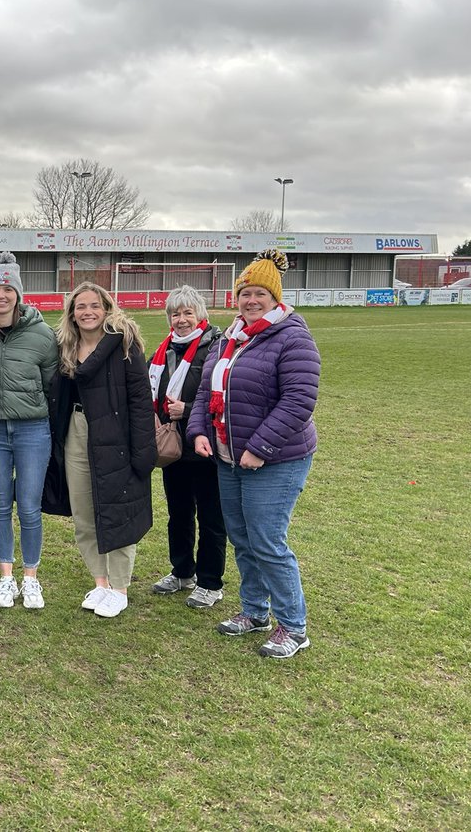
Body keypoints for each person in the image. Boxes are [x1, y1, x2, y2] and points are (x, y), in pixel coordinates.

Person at [189, 250, 320, 659]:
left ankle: (294, 627)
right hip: (229, 457)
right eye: (245, 293)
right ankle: (254, 611)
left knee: (267, 541)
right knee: (243, 539)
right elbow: (204, 392)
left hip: (276, 459)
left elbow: (299, 401)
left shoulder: (292, 336)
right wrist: (197, 431)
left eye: (260, 293)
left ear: (275, 297)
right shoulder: (231, 338)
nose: (250, 300)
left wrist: (260, 448)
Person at [46, 282, 154, 619]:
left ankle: (120, 588)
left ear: (107, 308)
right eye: (81, 307)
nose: (88, 312)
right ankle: (101, 582)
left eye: (94, 305)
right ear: (72, 313)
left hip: (115, 436)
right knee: (83, 513)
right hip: (75, 432)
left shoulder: (125, 345)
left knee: (117, 509)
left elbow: (140, 400)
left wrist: (143, 449)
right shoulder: (65, 346)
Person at [0, 252, 58, 610]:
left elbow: (52, 385)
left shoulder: (43, 335)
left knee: (28, 506)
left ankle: (31, 579)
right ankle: (5, 578)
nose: (1, 295)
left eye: (8, 288)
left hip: (31, 431)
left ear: (18, 294)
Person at [148, 285, 227, 608]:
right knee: (178, 512)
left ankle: (211, 582)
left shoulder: (217, 348)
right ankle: (182, 571)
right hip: (173, 447)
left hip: (205, 446)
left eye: (187, 313)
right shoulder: (164, 350)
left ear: (201, 315)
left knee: (211, 517)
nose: (181, 320)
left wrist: (189, 408)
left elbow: (224, 394)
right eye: (175, 314)